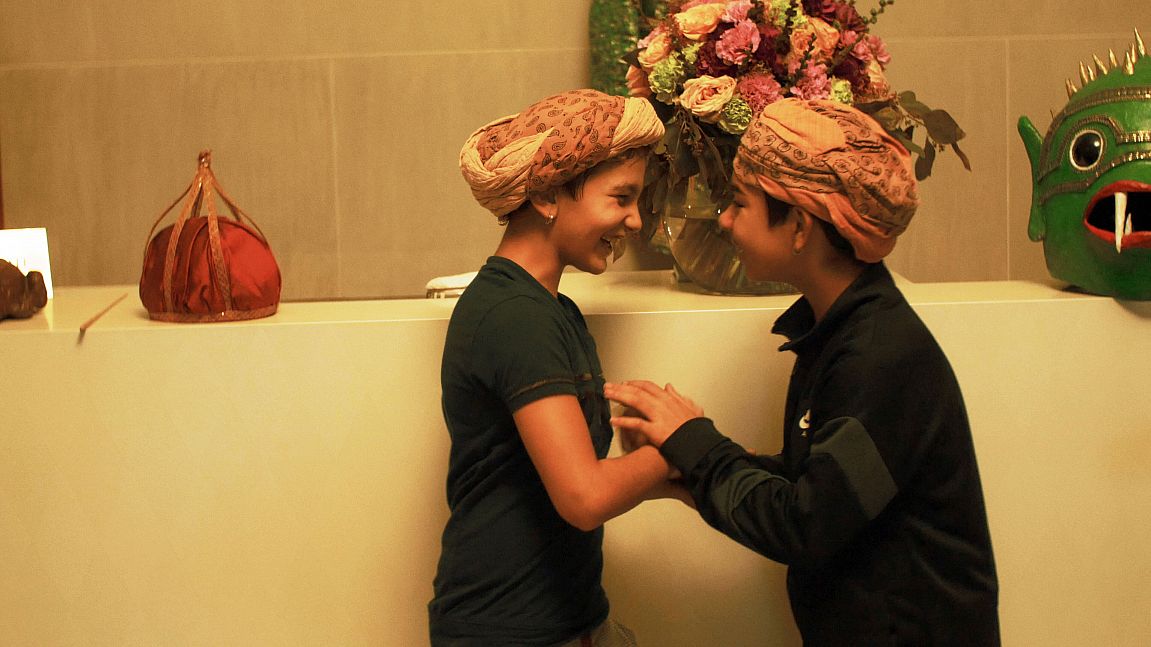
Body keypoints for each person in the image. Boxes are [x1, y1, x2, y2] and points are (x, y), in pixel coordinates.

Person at [605, 98, 1000, 645]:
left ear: (797, 225)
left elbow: (806, 523)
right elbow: (816, 486)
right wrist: (684, 466)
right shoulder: (842, 332)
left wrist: (695, 442)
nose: (724, 220)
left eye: (739, 203)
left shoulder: (881, 358)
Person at [429, 89, 679, 647]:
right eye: (621, 198)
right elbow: (584, 498)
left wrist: (689, 472)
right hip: (511, 631)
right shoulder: (516, 316)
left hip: (566, 622)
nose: (635, 220)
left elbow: (564, 487)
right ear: (546, 194)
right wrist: (679, 448)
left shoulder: (550, 310)